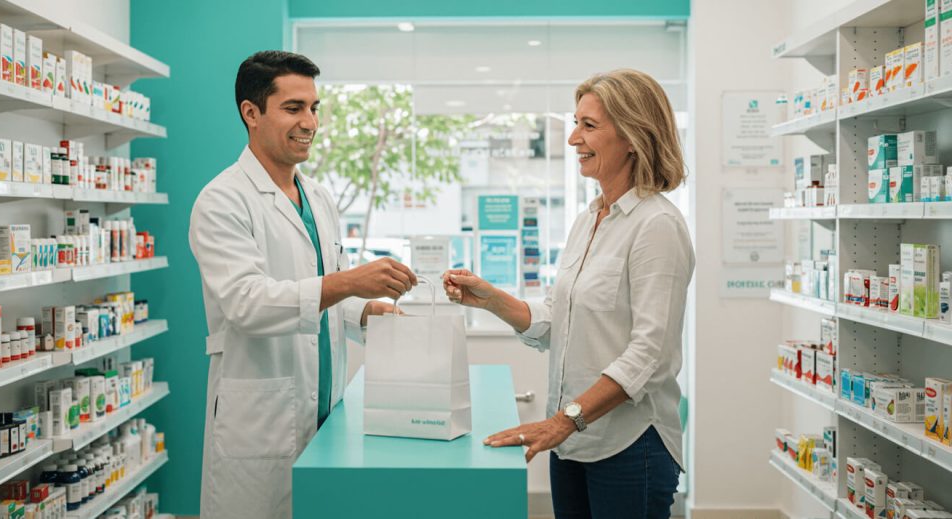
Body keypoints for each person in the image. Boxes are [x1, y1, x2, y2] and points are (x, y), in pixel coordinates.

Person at [443, 69, 693, 519]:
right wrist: (492, 300)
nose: (574, 137)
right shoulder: (589, 219)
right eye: (575, 123)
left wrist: (561, 421)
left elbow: (649, 355)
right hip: (574, 439)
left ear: (634, 136)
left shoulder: (657, 226)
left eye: (589, 125)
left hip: (629, 444)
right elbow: (561, 319)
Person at [189, 50, 417, 519]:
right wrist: (351, 281)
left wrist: (363, 309)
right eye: (293, 108)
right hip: (261, 420)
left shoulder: (318, 197)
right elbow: (246, 303)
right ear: (251, 113)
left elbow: (322, 292)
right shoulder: (222, 201)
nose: (309, 121)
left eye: (314, 108)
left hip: (323, 412)